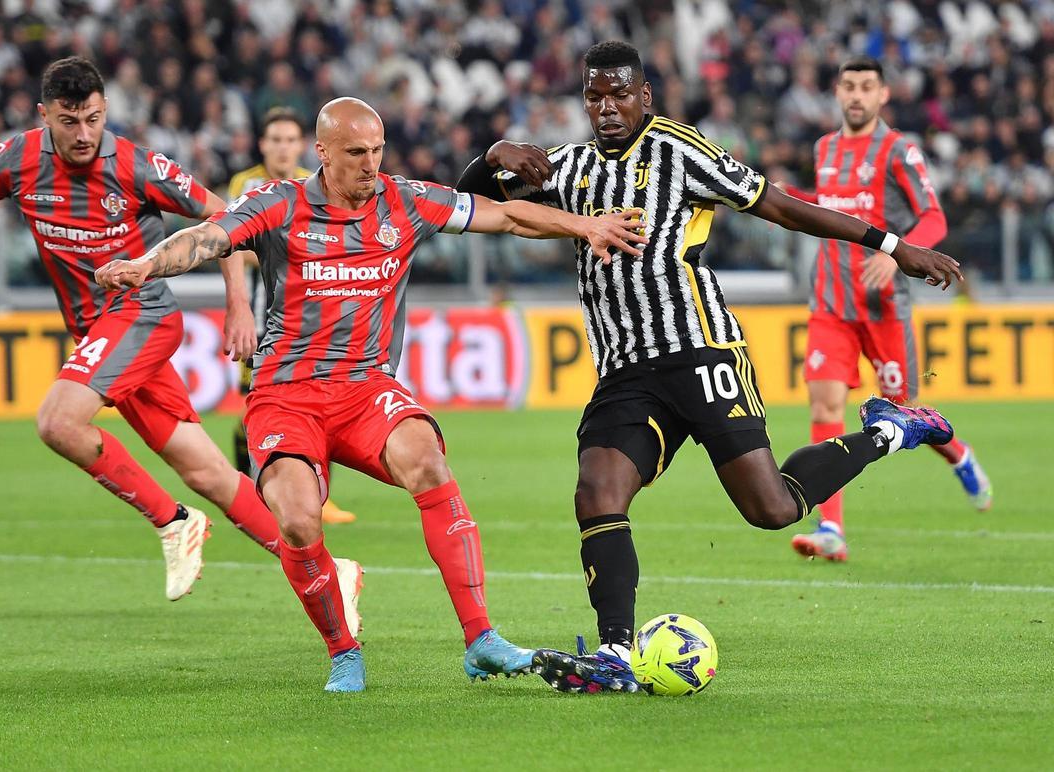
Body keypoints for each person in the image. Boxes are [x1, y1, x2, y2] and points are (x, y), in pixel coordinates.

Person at [455, 40, 963, 694]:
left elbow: (780, 206)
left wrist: (895, 245)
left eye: (619, 94)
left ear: (645, 96)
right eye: (594, 96)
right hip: (625, 371)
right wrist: (494, 154)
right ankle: (614, 656)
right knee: (596, 493)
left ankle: (894, 430)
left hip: (699, 349)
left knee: (773, 509)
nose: (606, 107)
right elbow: (465, 206)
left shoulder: (679, 149)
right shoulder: (565, 165)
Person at [93, 96, 648, 693]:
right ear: (323, 152)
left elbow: (506, 216)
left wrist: (587, 225)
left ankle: (481, 639)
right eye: (356, 153)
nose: (370, 164)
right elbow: (208, 237)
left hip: (366, 389)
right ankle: (343, 652)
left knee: (428, 462)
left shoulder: (404, 200)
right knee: (300, 521)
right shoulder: (278, 205)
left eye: (377, 151)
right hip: (286, 394)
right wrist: (147, 265)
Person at [0, 58, 363, 631]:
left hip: (139, 314)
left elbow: (220, 215)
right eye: (70, 121)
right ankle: (331, 569)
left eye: (94, 120)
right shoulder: (14, 160)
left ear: (106, 112)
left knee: (57, 421)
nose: (83, 135)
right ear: (43, 114)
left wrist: (238, 301)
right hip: (100, 333)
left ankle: (173, 521)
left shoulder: (137, 165)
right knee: (211, 474)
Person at [780, 56, 992, 562]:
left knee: (902, 415)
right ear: (837, 92)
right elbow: (832, 206)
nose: (856, 95)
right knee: (825, 407)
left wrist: (896, 255)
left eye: (866, 87)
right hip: (829, 303)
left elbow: (934, 217)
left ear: (883, 96)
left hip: (882, 309)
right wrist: (788, 200)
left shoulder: (899, 150)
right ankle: (830, 527)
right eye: (848, 86)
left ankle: (956, 451)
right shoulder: (824, 147)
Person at [227, 107, 356, 525]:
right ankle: (248, 490)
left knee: (321, 399)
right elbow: (236, 246)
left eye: (289, 140)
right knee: (255, 404)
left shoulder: (313, 182)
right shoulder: (246, 185)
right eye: (275, 140)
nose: (282, 147)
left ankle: (318, 495)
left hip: (309, 318)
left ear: (303, 145)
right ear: (262, 145)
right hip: (262, 318)